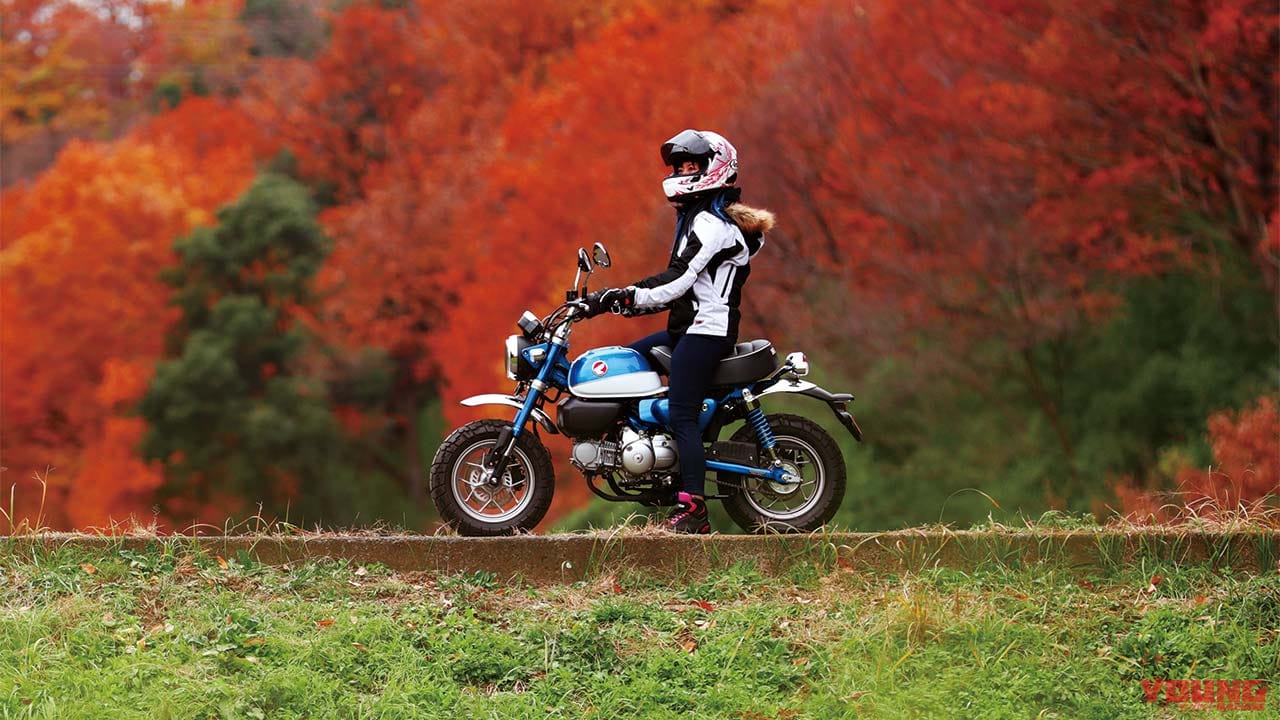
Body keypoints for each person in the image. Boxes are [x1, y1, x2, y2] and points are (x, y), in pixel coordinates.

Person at [582, 129, 775, 533]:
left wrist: (619, 297)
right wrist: (619, 300)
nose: (684, 172)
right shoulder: (696, 217)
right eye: (680, 166)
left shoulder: (712, 223)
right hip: (689, 327)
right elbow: (677, 287)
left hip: (707, 331)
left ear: (715, 168)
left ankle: (694, 509)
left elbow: (676, 281)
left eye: (693, 165)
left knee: (683, 413)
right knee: (629, 364)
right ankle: (647, 458)